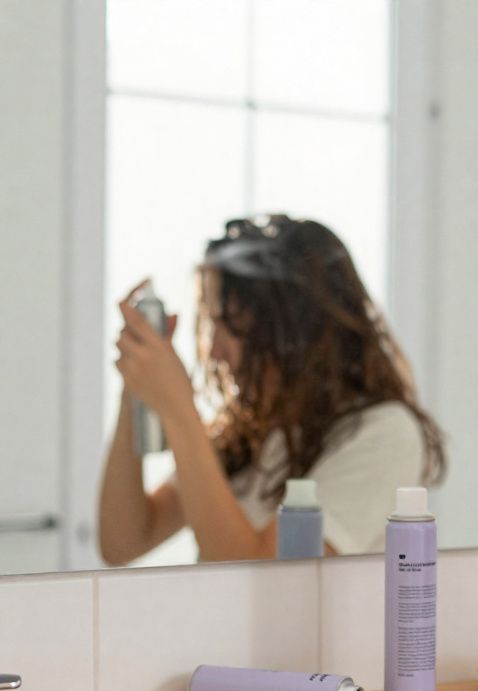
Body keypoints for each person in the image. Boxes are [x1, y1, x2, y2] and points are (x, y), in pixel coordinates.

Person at [99, 214, 445, 563]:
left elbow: (258, 572)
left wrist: (178, 410)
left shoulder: (383, 434)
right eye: (212, 324)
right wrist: (137, 389)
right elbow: (123, 542)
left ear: (293, 330)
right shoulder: (251, 432)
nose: (215, 351)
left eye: (230, 324)